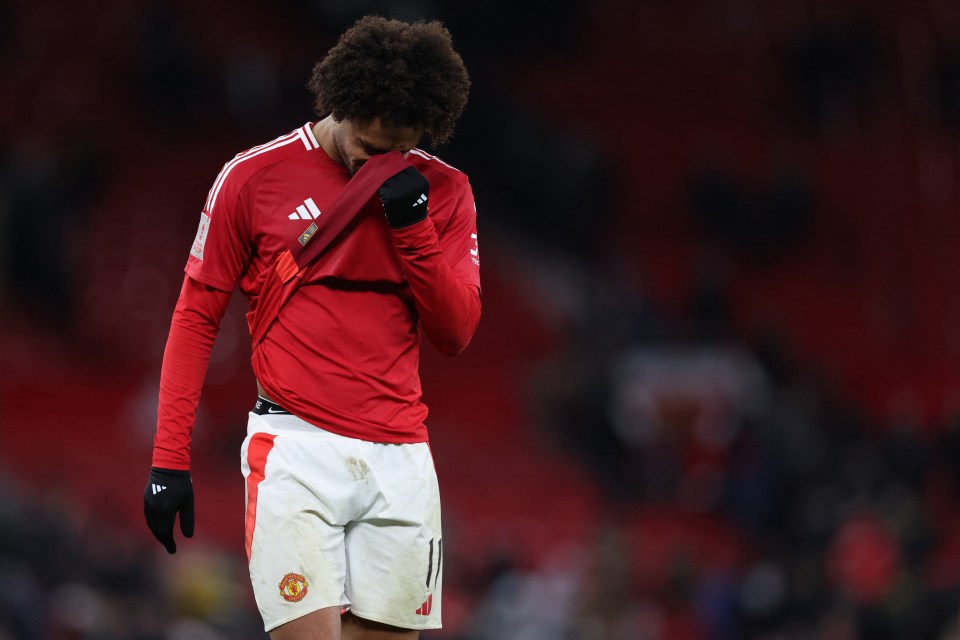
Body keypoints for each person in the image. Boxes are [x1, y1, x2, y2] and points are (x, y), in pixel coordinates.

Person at [142, 16, 479, 640]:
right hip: (295, 450)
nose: (385, 165)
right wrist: (169, 461)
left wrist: (414, 231)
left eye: (401, 150)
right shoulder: (252, 177)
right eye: (373, 149)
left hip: (401, 459)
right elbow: (195, 318)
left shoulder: (445, 191)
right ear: (341, 105)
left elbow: (456, 332)